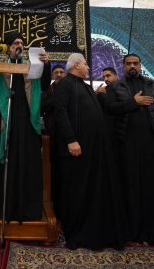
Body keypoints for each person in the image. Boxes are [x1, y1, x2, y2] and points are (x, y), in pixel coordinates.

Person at [105, 54, 154, 248]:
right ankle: (133, 229)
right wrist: (134, 102)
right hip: (126, 146)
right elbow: (109, 108)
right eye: (128, 64)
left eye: (135, 63)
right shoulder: (115, 87)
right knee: (131, 186)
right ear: (123, 66)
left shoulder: (152, 85)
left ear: (140, 65)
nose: (132, 66)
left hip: (153, 145)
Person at [0, 32, 50, 222]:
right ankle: (3, 208)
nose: (19, 45)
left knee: (28, 161)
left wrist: (47, 65)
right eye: (16, 43)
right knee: (5, 162)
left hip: (27, 123)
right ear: (8, 46)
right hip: (3, 122)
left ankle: (27, 209)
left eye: (21, 43)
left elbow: (44, 85)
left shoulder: (31, 65)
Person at [54, 53, 129, 250]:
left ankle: (98, 229)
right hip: (77, 147)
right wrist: (71, 140)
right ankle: (78, 231)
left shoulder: (84, 85)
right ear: (76, 65)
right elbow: (61, 113)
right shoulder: (64, 85)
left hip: (94, 147)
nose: (88, 67)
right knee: (78, 190)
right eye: (86, 64)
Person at [40, 64, 65, 211]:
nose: (59, 74)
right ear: (52, 75)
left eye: (61, 72)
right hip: (52, 133)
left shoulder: (71, 88)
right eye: (56, 72)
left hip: (69, 134)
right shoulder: (47, 90)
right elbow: (42, 106)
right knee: (54, 166)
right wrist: (56, 98)